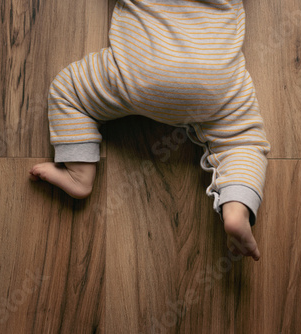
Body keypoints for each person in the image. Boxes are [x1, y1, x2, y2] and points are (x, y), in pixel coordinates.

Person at [29, 0, 270, 260]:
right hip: (213, 80)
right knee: (242, 142)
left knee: (68, 92)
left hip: (138, 69)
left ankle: (79, 173)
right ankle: (236, 207)